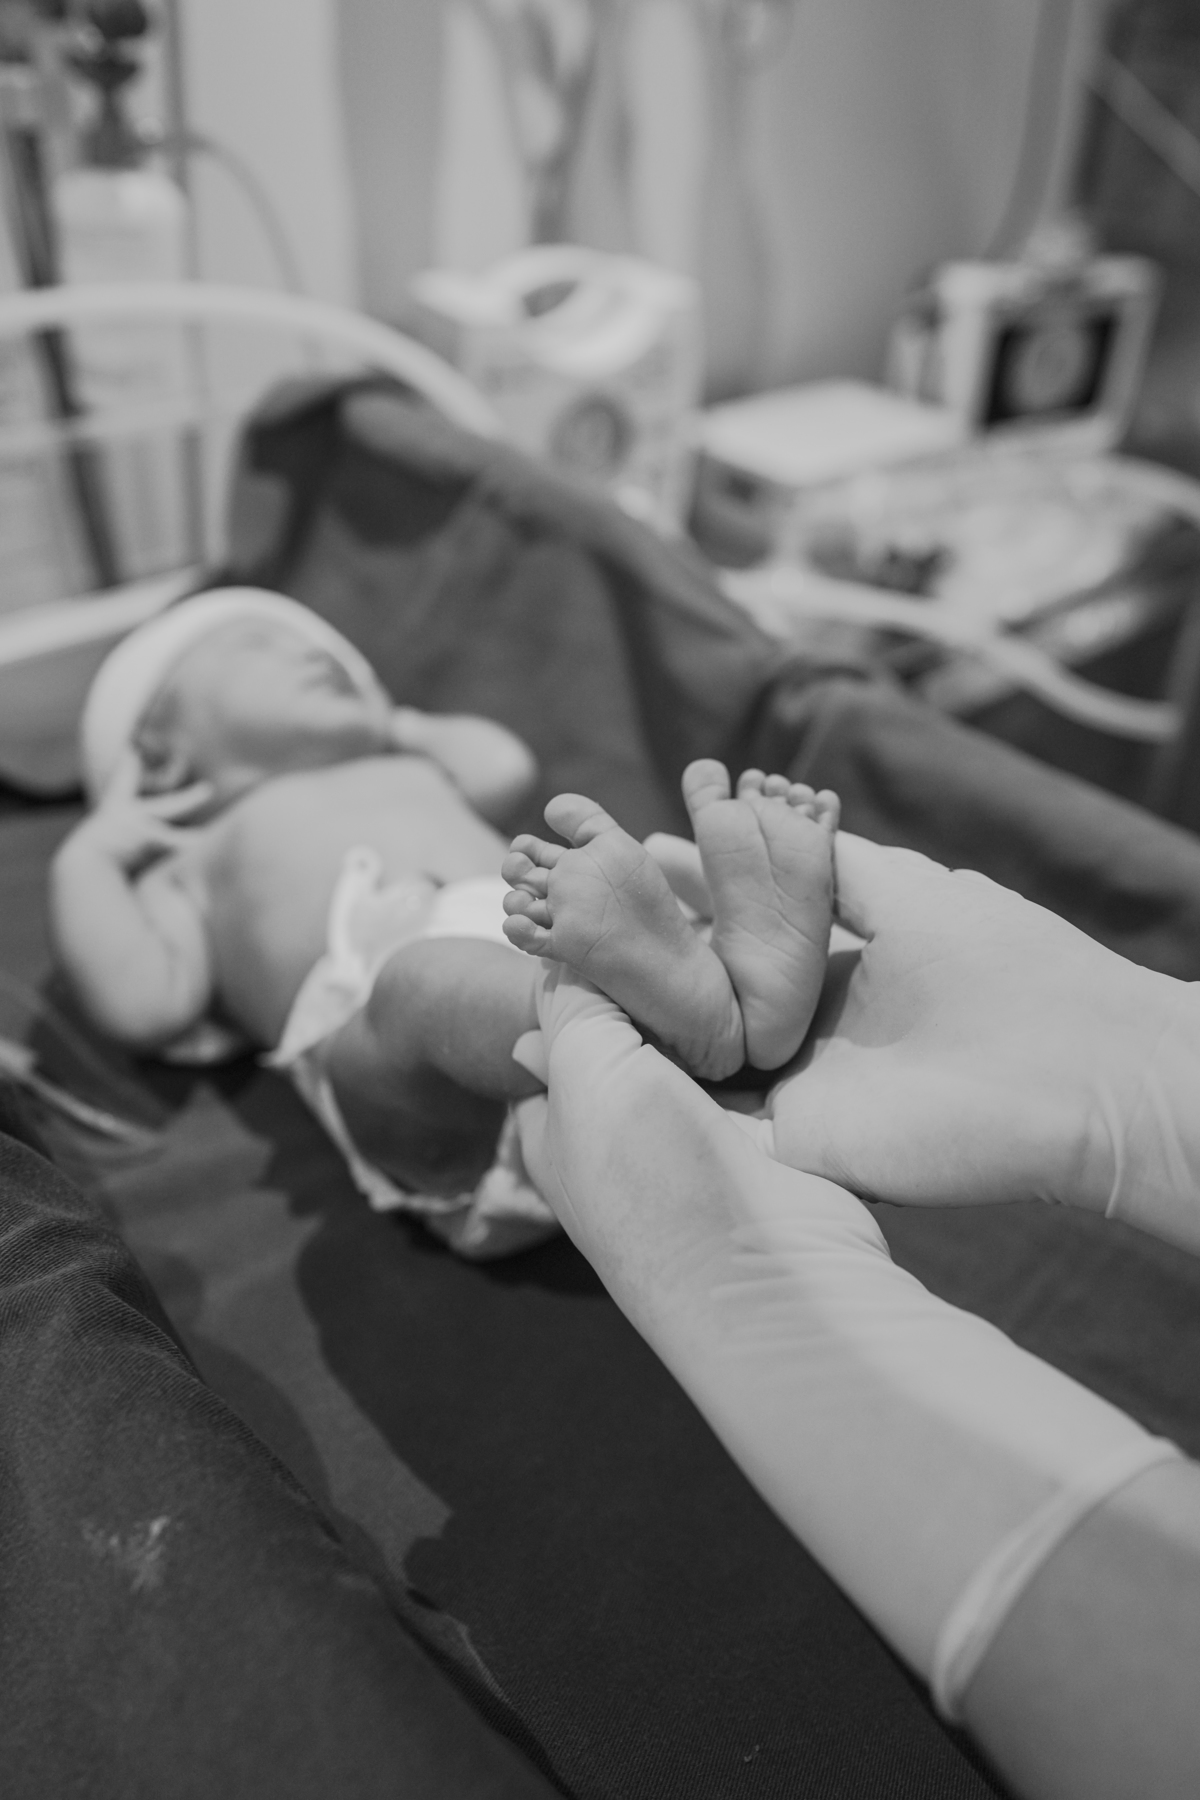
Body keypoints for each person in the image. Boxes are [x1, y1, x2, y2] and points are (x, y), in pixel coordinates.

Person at [508, 832, 1200, 1800]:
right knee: (444, 994)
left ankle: (710, 1004)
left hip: (518, 959)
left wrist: (744, 1293)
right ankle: (714, 1003)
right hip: (505, 947)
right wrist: (1141, 1073)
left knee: (461, 1001)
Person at [52, 585, 838, 1258]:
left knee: (600, 910)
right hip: (414, 1068)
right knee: (421, 983)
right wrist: (90, 858)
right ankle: (672, 1014)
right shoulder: (189, 860)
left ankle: (720, 1003)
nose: (315, 654)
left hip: (547, 939)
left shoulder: (407, 765)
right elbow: (145, 1002)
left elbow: (503, 765)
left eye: (331, 658)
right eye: (259, 645)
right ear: (159, 756)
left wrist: (397, 726)